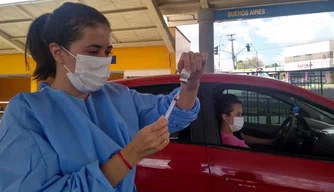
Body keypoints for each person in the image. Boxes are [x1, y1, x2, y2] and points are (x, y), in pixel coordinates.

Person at [0, 3, 208, 192]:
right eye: (93, 51)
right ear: (58, 52)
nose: (103, 60)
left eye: (107, 51)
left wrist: (190, 85)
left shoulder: (118, 96)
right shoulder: (28, 112)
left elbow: (173, 115)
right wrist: (130, 155)